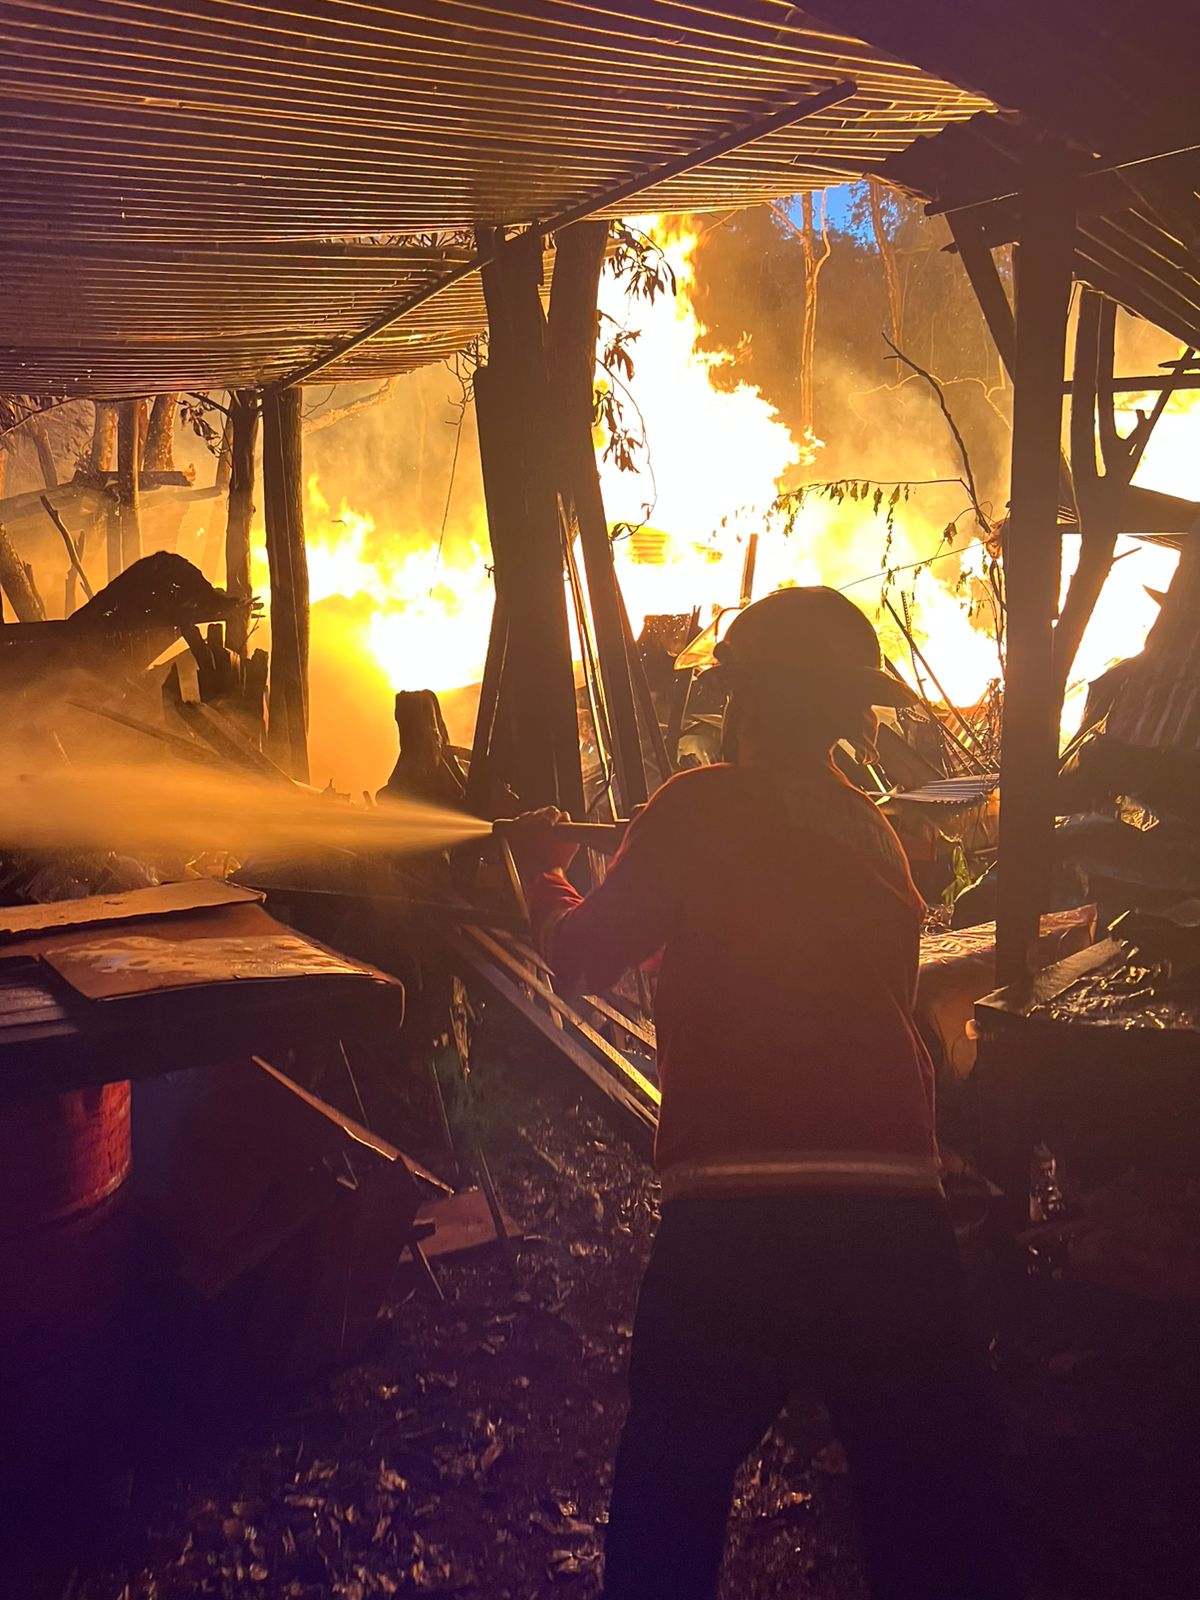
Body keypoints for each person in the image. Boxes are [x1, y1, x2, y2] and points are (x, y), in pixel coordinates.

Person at [517, 586, 1022, 1600]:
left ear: (743, 701)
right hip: (892, 1211)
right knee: (926, 1499)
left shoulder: (694, 806)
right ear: (850, 714)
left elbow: (582, 956)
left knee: (673, 1484)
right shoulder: (877, 838)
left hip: (735, 1213)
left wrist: (543, 867)